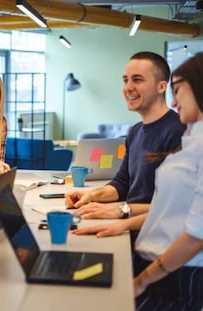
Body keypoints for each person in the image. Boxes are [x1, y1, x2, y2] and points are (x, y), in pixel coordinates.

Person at [73, 52, 203, 310]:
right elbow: (164, 203)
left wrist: (143, 280)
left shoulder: (182, 133)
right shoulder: (182, 135)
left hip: (177, 266)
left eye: (179, 92)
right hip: (154, 254)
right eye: (125, 79)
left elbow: (194, 229)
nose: (176, 103)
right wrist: (119, 221)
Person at [65, 51, 186, 220]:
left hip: (154, 233)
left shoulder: (179, 131)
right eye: (125, 80)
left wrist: (120, 210)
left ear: (161, 86)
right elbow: (122, 184)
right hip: (129, 223)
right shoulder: (136, 132)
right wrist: (91, 196)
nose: (128, 87)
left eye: (137, 79)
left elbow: (177, 206)